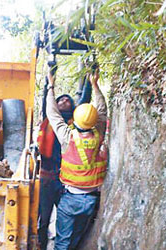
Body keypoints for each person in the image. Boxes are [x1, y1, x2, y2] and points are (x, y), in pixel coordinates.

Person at [46, 68, 108, 250]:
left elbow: (53, 114)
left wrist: (50, 86)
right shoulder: (99, 133)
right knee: (76, 239)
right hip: (91, 200)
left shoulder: (68, 137)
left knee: (62, 242)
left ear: (75, 118)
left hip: (71, 198)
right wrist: (95, 85)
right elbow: (102, 110)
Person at [37, 67, 91, 250]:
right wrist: (49, 81)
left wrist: (89, 78)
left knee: (68, 221)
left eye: (68, 99)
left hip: (66, 182)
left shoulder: (75, 127)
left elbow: (85, 101)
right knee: (43, 218)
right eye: (60, 99)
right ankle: (41, 245)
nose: (64, 100)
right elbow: (48, 101)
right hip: (47, 178)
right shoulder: (50, 120)